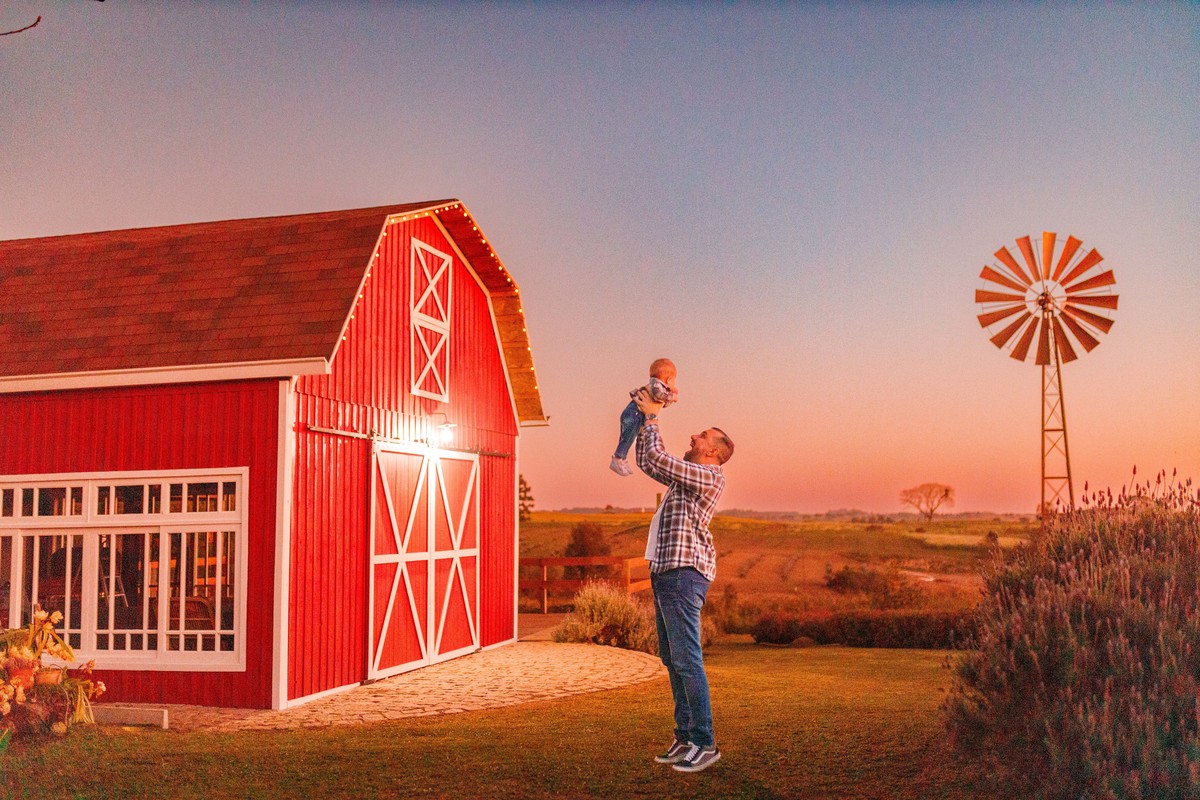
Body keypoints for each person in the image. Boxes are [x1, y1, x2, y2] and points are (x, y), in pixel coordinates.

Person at [633, 386, 733, 774]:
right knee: (672, 659)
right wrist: (645, 416)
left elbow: (660, 456)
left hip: (684, 575)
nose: (694, 436)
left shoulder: (708, 477)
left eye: (702, 436)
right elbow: (648, 460)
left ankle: (705, 743)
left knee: (688, 660)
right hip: (665, 574)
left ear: (714, 451)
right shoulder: (685, 479)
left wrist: (655, 416)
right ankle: (686, 735)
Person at [610, 358, 679, 476]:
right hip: (634, 415)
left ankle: (621, 458)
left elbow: (661, 404)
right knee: (627, 439)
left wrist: (668, 399)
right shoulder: (657, 385)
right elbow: (658, 396)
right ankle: (618, 459)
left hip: (634, 415)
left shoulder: (657, 385)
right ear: (669, 379)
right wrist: (672, 396)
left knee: (627, 439)